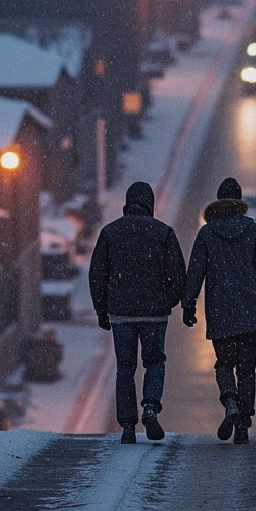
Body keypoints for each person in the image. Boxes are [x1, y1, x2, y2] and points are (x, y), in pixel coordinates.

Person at [88, 180, 187, 444]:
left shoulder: (110, 233)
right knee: (154, 361)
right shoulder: (163, 233)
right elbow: (178, 274)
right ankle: (151, 407)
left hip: (121, 313)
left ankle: (128, 425)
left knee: (125, 368)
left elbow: (97, 274)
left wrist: (102, 309)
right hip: (154, 312)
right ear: (150, 205)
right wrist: (168, 301)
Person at [181, 176, 256, 444]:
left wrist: (188, 304)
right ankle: (244, 424)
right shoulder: (254, 230)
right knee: (247, 368)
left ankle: (231, 401)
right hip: (249, 310)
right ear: (240, 203)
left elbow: (196, 272)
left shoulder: (207, 233)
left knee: (224, 363)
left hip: (220, 310)